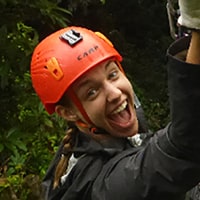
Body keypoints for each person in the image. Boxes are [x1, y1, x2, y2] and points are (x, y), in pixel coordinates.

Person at [30, 0, 200, 199]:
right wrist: (196, 22)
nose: (115, 93)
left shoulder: (108, 142)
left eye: (112, 75)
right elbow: (184, 148)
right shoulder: (98, 187)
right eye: (92, 92)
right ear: (68, 112)